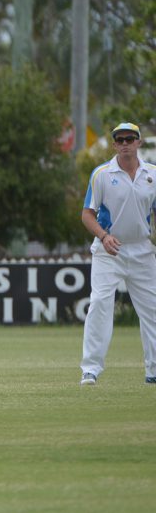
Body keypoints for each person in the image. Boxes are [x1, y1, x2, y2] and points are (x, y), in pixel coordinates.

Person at [80, 122, 156, 386]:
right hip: (108, 249)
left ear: (139, 142)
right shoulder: (102, 174)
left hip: (143, 250)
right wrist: (103, 235)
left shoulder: (152, 175)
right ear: (114, 145)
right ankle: (90, 369)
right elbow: (87, 214)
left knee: (152, 310)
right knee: (100, 303)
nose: (125, 143)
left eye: (129, 139)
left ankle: (153, 370)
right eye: (120, 140)